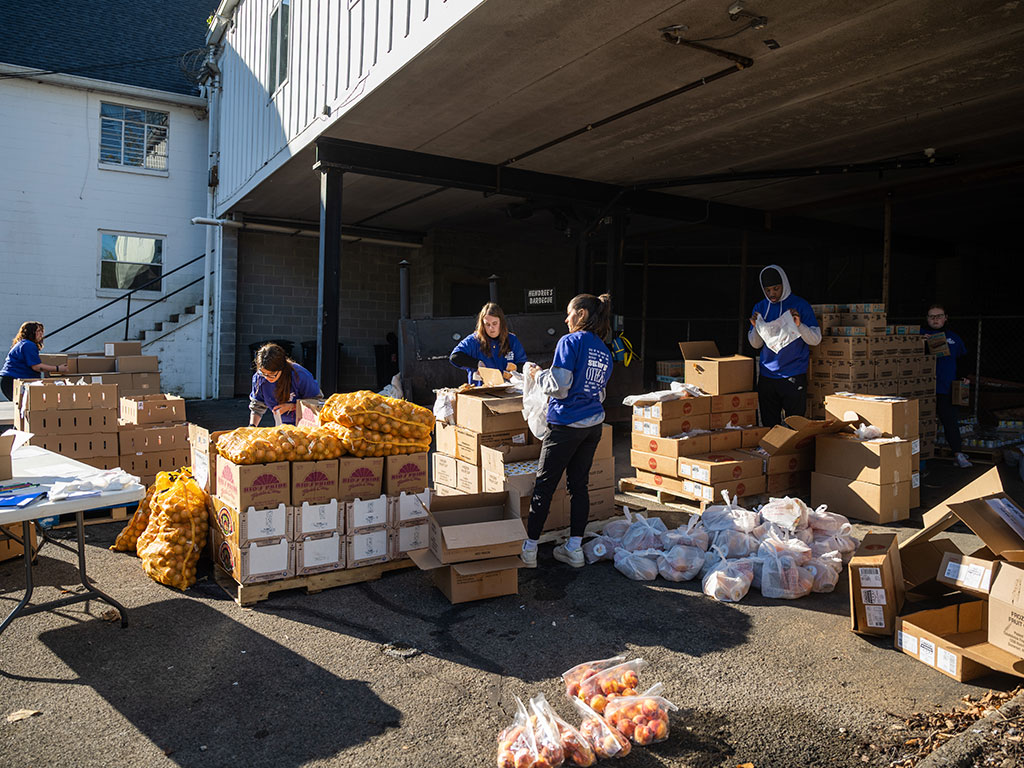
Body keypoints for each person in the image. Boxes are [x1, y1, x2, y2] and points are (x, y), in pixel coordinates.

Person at [520, 294, 613, 569]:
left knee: (544, 486)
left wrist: (537, 375)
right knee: (579, 486)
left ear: (581, 315)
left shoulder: (570, 341)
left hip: (566, 424)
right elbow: (600, 391)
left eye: (569, 313)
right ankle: (574, 548)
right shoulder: (604, 351)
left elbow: (559, 385)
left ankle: (529, 550)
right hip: (592, 425)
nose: (566, 318)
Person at [747, 265, 821, 428]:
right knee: (769, 427)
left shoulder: (800, 305)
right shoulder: (760, 308)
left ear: (784, 285)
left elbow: (815, 339)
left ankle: (791, 455)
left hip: (793, 375)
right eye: (767, 290)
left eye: (776, 288)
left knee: (794, 428)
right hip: (767, 376)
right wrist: (757, 327)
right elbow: (755, 344)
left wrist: (799, 325)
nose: (772, 294)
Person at [921, 304, 971, 468]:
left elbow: (963, 359)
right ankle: (921, 458)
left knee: (950, 421)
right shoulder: (919, 335)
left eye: (938, 316)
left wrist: (964, 377)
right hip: (923, 390)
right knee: (922, 423)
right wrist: (920, 344)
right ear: (927, 319)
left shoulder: (954, 338)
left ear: (945, 317)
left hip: (946, 388)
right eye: (931, 316)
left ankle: (958, 454)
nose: (935, 319)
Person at [449, 302, 527, 385]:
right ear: (482, 324)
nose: (491, 328)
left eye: (494, 323)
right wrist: (477, 364)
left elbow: (523, 364)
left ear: (501, 322)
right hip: (481, 391)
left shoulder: (512, 339)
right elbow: (455, 357)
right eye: (487, 324)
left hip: (508, 389)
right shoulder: (473, 340)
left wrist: (514, 370)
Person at [249, 343, 321, 426]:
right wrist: (252, 426)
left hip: (305, 424)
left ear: (282, 368)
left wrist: (293, 406)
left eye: (272, 374)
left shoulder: (301, 375)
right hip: (282, 425)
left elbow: (316, 403)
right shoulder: (259, 378)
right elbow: (257, 406)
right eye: (264, 373)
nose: (267, 378)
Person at [1, 322, 68, 401]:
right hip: (13, 380)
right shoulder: (28, 345)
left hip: (10, 380)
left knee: (26, 406)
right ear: (31, 332)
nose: (41, 334)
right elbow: (36, 367)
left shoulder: (23, 343)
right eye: (38, 331)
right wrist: (58, 368)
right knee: (26, 405)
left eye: (42, 331)